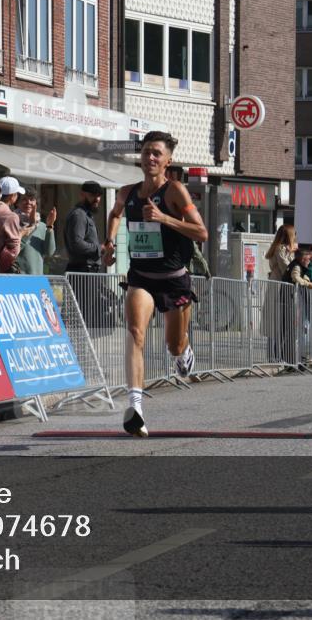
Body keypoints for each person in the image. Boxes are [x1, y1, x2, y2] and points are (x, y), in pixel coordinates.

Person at [102, 131, 208, 437]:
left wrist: (164, 218)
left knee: (173, 343)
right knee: (135, 333)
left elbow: (201, 233)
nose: (150, 157)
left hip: (174, 280)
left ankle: (183, 353)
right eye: (146, 152)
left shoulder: (174, 191)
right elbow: (114, 213)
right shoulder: (127, 192)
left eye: (157, 153)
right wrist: (109, 242)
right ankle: (135, 407)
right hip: (141, 277)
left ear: (167, 161)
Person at [167, 165, 210, 277]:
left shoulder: (179, 192)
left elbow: (201, 234)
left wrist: (205, 271)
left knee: (191, 253)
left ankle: (190, 274)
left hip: (183, 235)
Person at [264, 224, 297, 365]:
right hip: (278, 287)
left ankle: (279, 353)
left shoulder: (283, 249)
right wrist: (292, 254)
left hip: (280, 287)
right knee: (275, 321)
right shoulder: (281, 249)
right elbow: (287, 268)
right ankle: (273, 355)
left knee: (281, 322)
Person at [15, 188, 56, 275]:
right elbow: (13, 250)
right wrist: (30, 226)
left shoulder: (41, 226)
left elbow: (49, 252)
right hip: (17, 277)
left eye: (32, 199)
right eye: (24, 199)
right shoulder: (13, 222)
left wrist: (49, 226)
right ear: (17, 203)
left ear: (36, 203)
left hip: (36, 279)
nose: (28, 202)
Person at [65, 180, 103, 273]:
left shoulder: (86, 215)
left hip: (87, 270)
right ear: (82, 195)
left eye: (99, 195)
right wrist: (99, 248)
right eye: (93, 195)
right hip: (81, 271)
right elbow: (76, 244)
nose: (97, 199)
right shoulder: (79, 215)